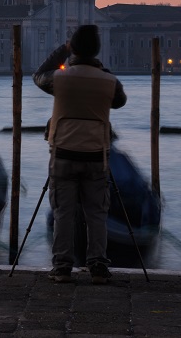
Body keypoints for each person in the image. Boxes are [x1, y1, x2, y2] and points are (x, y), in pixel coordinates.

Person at [32, 24, 127, 284]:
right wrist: (99, 68)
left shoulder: (59, 79)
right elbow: (120, 101)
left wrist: (62, 52)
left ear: (72, 47)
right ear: (97, 50)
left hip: (63, 152)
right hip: (97, 154)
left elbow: (38, 75)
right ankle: (97, 265)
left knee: (63, 212)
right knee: (96, 213)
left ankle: (62, 267)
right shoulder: (109, 81)